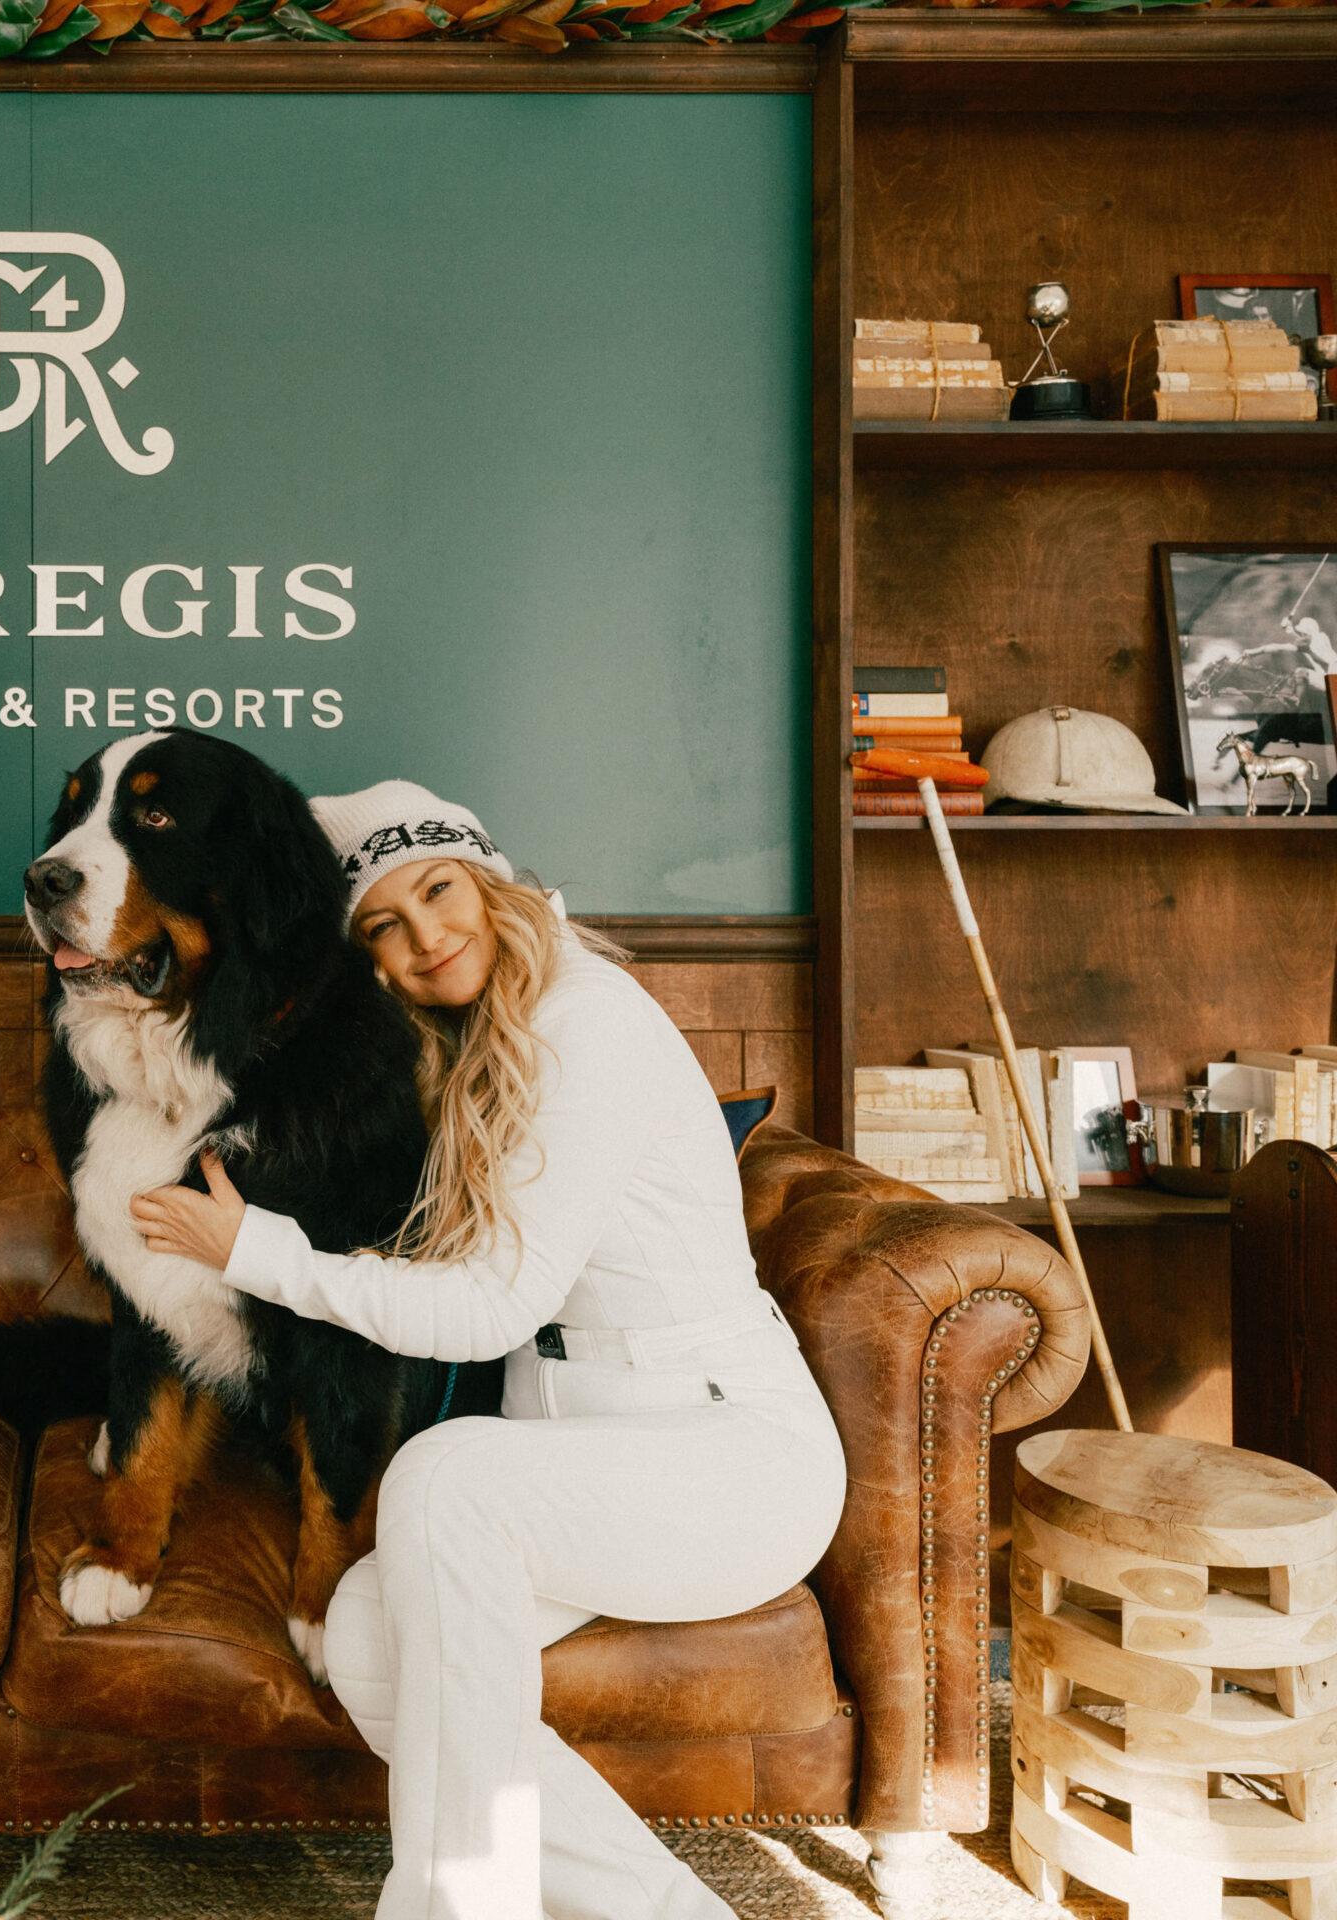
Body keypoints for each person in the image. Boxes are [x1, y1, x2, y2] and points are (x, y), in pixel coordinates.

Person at [128, 779, 847, 1920]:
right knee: (368, 1640)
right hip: (586, 1476)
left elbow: (487, 1312)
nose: (427, 936)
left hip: (731, 1457)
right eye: (384, 926)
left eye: (439, 889)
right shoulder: (466, 1049)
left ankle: (455, 1907)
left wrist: (254, 1251)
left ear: (489, 881)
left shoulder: (586, 1021)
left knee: (445, 1480)